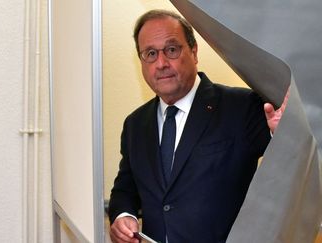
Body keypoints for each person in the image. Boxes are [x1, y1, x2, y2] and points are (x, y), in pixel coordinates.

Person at [108, 9, 288, 243]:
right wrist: (123, 215)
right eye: (150, 53)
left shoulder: (242, 107)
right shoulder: (135, 125)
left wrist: (282, 132)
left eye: (171, 50)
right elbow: (125, 189)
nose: (161, 63)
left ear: (193, 51)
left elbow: (288, 169)